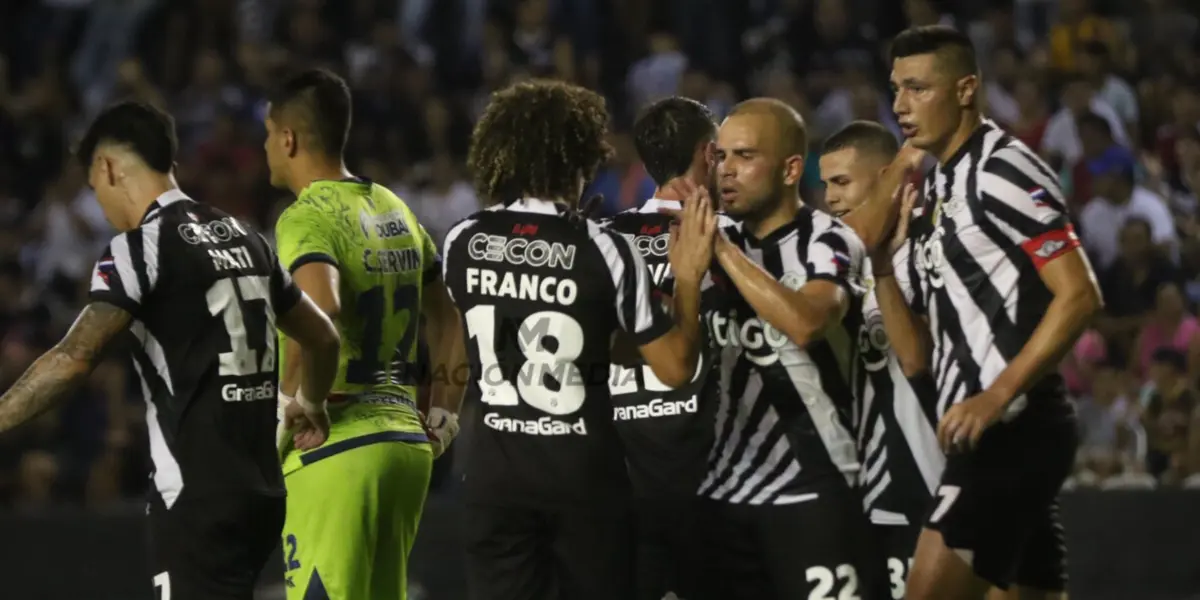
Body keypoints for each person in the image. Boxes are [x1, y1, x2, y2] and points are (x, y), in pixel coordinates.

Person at [0, 101, 342, 599]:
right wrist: (309, 402)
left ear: (108, 168)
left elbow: (72, 359)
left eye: (97, 191)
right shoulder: (246, 236)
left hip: (196, 496)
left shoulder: (141, 246)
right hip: (262, 492)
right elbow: (323, 337)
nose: (102, 206)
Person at [856, 25, 1102, 599]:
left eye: (917, 89)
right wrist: (904, 165)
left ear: (966, 89)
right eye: (895, 89)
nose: (899, 106)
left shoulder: (1003, 169)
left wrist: (997, 395)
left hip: (1012, 425)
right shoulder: (941, 182)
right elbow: (865, 245)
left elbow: (1080, 294)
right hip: (979, 432)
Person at [444, 79, 710, 600]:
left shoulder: (463, 238)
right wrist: (687, 282)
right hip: (582, 478)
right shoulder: (603, 248)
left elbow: (467, 341)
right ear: (581, 158)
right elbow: (676, 367)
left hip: (491, 474)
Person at [264, 69, 464, 599]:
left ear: (287, 138)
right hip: (405, 444)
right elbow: (450, 316)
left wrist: (298, 399)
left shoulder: (305, 217)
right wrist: (444, 410)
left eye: (267, 133)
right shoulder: (393, 208)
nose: (265, 146)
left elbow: (320, 310)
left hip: (336, 445)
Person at [678, 98, 886, 599]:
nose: (726, 171)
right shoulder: (703, 238)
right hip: (721, 490)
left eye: (744, 157)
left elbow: (808, 321)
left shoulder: (829, 239)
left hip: (815, 490)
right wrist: (687, 276)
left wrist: (720, 254)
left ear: (792, 168)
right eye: (721, 157)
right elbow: (673, 357)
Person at [818, 120, 945, 598]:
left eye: (843, 182)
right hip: (852, 489)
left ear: (889, 176)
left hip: (920, 478)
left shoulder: (928, 254)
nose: (829, 196)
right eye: (825, 183)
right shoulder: (827, 263)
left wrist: (884, 271)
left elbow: (917, 359)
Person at [604, 96, 720, 600]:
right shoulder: (730, 238)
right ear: (706, 153)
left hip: (625, 473)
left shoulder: (603, 241)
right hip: (714, 472)